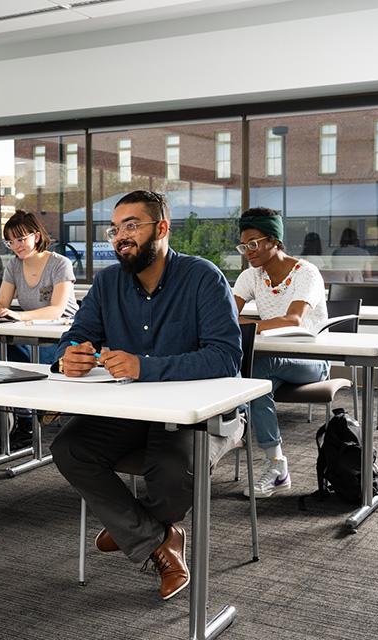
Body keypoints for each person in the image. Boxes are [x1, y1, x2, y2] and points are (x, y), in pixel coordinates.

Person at [50, 190, 243, 601]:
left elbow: (226, 357)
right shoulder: (107, 283)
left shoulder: (203, 278)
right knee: (70, 447)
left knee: (173, 473)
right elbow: (76, 335)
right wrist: (70, 355)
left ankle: (133, 529)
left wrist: (145, 366)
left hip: (198, 415)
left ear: (162, 228)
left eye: (132, 225)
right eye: (114, 229)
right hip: (132, 409)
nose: (120, 236)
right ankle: (159, 539)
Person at [232, 207, 329, 498]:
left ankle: (233, 431)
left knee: (255, 370)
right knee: (254, 382)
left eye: (253, 243)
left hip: (312, 361)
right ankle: (276, 465)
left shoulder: (306, 273)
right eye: (243, 246)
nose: (247, 251)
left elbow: (293, 320)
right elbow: (226, 315)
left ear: (274, 241)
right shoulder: (251, 276)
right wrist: (240, 322)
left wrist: (245, 324)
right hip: (272, 362)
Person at [0, 210, 78, 364]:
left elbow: (56, 310)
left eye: (20, 240)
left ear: (36, 237)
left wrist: (20, 316)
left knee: (42, 359)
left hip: (64, 330)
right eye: (10, 242)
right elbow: (1, 303)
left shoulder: (60, 263)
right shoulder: (13, 265)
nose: (15, 246)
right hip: (31, 328)